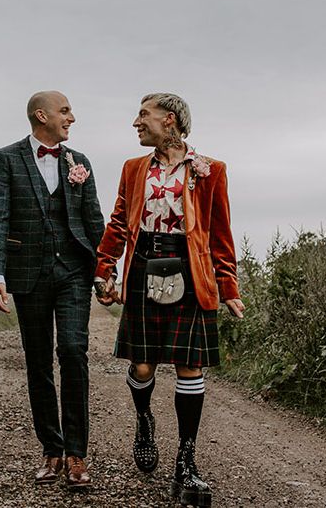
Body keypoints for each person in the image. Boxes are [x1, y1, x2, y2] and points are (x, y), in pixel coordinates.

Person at [95, 92, 245, 508]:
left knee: (189, 364)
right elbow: (119, 222)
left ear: (171, 119)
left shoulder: (210, 170)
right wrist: (104, 267)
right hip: (144, 263)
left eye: (144, 115)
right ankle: (144, 420)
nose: (136, 122)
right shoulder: (133, 168)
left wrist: (228, 288)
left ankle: (186, 460)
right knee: (142, 365)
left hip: (189, 268)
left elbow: (219, 233)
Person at [0, 90, 105, 489]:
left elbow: (94, 220)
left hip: (73, 271)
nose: (72, 117)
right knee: (38, 363)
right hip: (28, 275)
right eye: (65, 110)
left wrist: (105, 271)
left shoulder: (80, 163)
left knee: (73, 352)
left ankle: (77, 456)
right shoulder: (7, 158)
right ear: (42, 115)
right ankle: (51, 451)